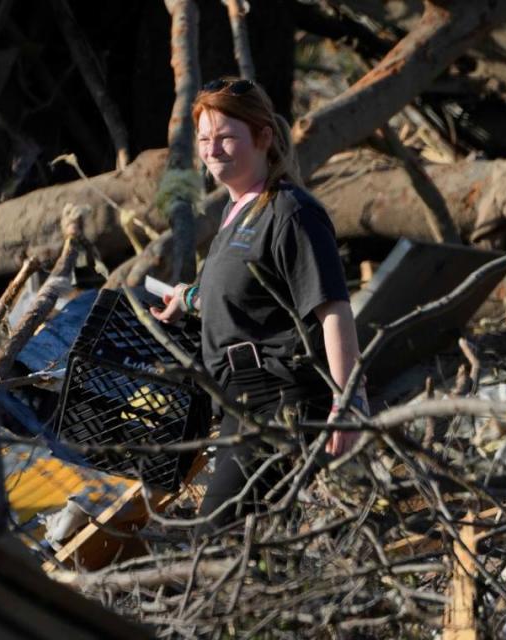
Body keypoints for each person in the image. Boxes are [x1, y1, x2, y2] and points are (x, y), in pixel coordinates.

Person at [151, 77, 367, 533]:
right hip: (237, 402)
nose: (213, 150)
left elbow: (333, 309)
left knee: (217, 536)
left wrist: (347, 403)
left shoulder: (290, 212)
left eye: (227, 137)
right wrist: (187, 298)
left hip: (279, 398)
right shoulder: (234, 214)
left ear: (263, 137)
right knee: (263, 542)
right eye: (206, 139)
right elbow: (241, 292)